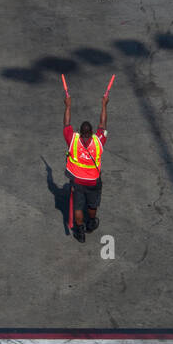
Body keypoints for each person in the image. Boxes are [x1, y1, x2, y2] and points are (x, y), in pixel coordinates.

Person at [63, 86, 109, 243]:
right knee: (92, 204)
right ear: (91, 133)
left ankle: (80, 231)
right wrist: (104, 105)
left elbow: (66, 123)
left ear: (81, 132)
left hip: (77, 181)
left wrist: (68, 105)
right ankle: (91, 222)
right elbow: (102, 124)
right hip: (93, 181)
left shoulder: (73, 140)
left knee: (77, 207)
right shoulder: (98, 141)